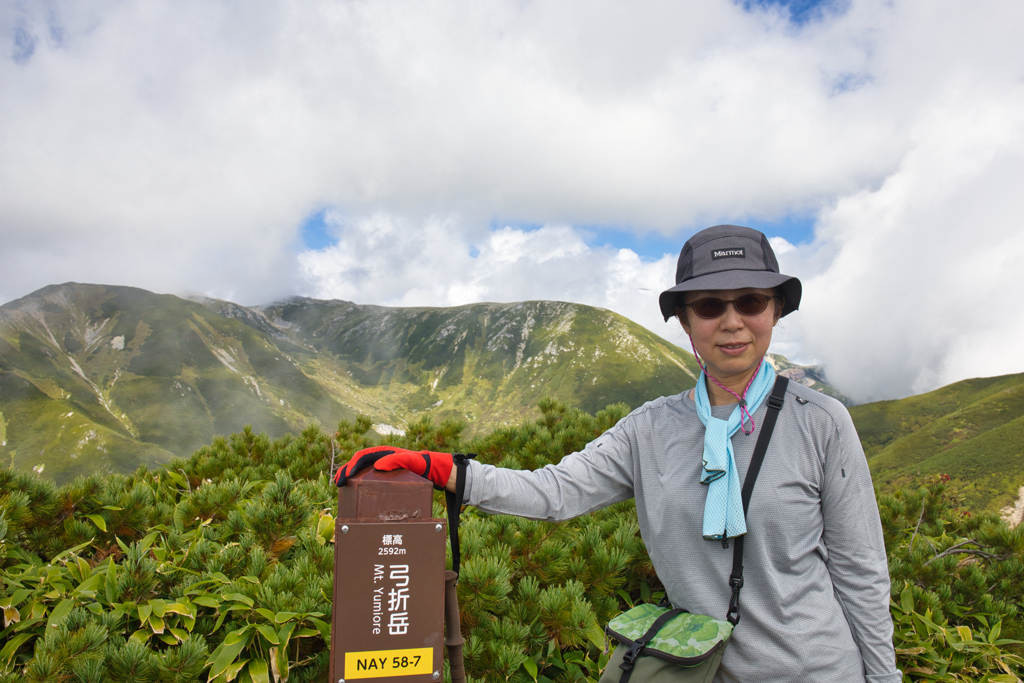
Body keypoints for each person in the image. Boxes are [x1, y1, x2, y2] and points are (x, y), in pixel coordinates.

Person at [336, 225, 902, 682]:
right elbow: (554, 492)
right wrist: (445, 470)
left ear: (775, 311)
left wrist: (884, 679)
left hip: (819, 671)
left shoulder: (821, 422)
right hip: (696, 672)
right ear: (686, 323)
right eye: (709, 306)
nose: (732, 321)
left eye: (751, 301)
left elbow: (861, 574)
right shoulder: (649, 430)